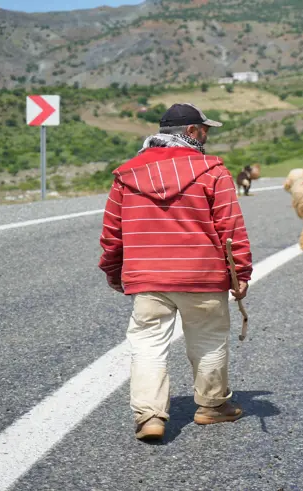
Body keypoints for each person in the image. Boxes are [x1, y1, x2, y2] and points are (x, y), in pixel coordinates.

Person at [98, 103, 253, 441]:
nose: (207, 136)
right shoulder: (213, 171)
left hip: (149, 278)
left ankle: (150, 416)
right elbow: (231, 229)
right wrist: (240, 274)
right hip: (203, 276)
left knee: (148, 344)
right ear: (192, 132)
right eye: (205, 130)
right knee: (209, 339)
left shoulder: (127, 174)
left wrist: (114, 271)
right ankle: (212, 406)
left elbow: (113, 233)